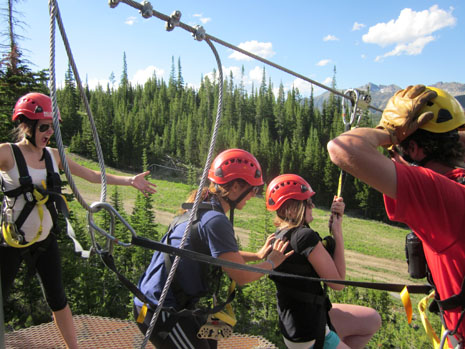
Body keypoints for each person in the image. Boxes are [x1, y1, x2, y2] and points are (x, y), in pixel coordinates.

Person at [0, 92, 157, 349]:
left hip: (43, 242)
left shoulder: (54, 155)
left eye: (53, 127)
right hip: (11, 243)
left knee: (58, 300)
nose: (50, 132)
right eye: (44, 127)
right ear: (26, 125)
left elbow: (92, 176)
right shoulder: (7, 153)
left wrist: (130, 180)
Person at [327, 85, 465, 347]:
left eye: (393, 151)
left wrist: (388, 133)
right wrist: (443, 136)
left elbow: (342, 147)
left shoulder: (443, 198)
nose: (392, 156)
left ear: (413, 150)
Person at [133, 148, 293, 349]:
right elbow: (241, 276)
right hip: (160, 308)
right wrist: (271, 263)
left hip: (160, 302)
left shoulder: (203, 208)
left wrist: (257, 255)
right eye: (254, 189)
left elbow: (220, 254)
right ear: (235, 187)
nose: (254, 195)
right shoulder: (215, 219)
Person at [265, 174, 381, 349]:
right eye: (307, 202)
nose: (312, 205)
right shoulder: (305, 237)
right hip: (310, 332)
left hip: (295, 325)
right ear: (290, 209)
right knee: (370, 322)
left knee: (372, 320)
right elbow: (338, 283)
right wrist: (337, 232)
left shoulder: (280, 235)